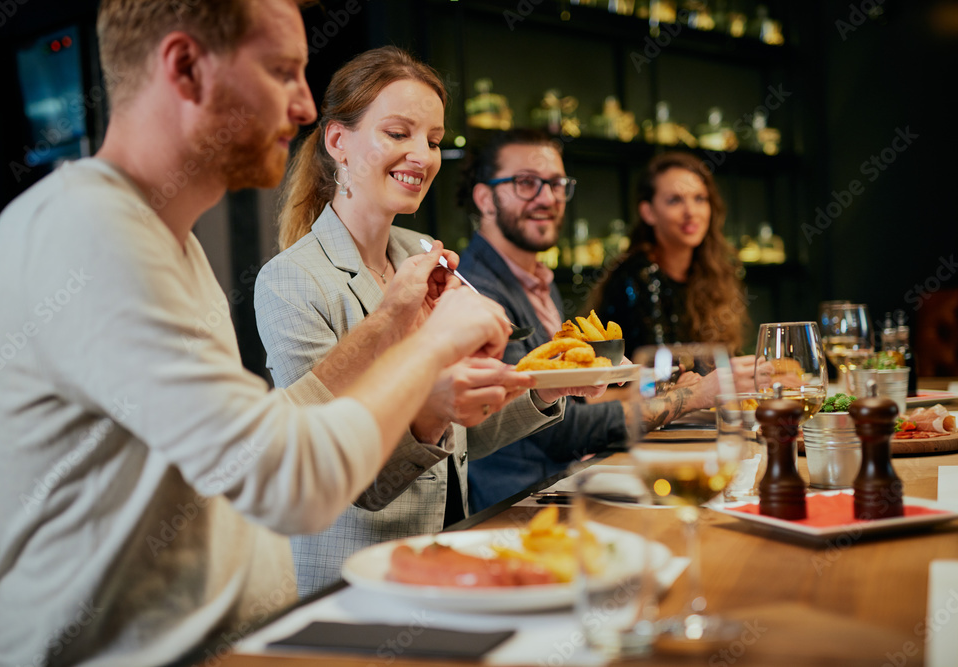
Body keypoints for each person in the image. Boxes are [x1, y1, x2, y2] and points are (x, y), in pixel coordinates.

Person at [0, 3, 515, 666]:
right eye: (283, 72)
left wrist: (392, 321)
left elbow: (255, 440)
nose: (308, 107)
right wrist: (433, 345)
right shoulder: (86, 233)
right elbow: (292, 482)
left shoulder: (169, 241)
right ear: (187, 68)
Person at [255, 48, 601, 596]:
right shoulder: (291, 282)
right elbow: (334, 474)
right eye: (398, 133)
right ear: (338, 142)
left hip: (453, 549)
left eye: (435, 141)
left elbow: (463, 436)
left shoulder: (423, 254)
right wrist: (427, 401)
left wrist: (543, 388)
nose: (422, 155)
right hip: (360, 579)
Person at [456, 129, 747, 512]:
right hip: (516, 508)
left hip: (569, 483)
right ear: (485, 198)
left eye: (556, 183)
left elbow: (577, 400)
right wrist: (691, 396)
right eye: (527, 183)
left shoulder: (536, 281)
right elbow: (560, 431)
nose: (547, 197)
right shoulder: (476, 289)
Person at [589, 151, 750, 356]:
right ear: (648, 212)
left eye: (700, 199)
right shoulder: (638, 275)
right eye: (675, 200)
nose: (691, 212)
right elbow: (661, 376)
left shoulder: (712, 271)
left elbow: (723, 358)